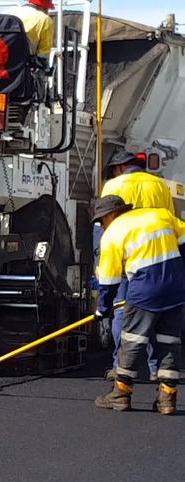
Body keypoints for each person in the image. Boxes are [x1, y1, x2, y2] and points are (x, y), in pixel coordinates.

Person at [92, 195, 185, 415]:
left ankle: (121, 395)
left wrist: (102, 308)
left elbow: (108, 280)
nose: (101, 226)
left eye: (100, 221)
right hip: (176, 288)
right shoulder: (160, 214)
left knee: (132, 340)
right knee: (169, 342)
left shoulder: (113, 233)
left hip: (144, 290)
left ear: (110, 215)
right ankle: (167, 400)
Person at [95, 150, 175, 381]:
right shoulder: (159, 185)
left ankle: (121, 367)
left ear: (119, 168)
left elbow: (106, 223)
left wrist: (102, 261)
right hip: (158, 257)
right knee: (156, 314)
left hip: (126, 254)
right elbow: (170, 218)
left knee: (122, 311)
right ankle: (155, 369)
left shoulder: (113, 185)